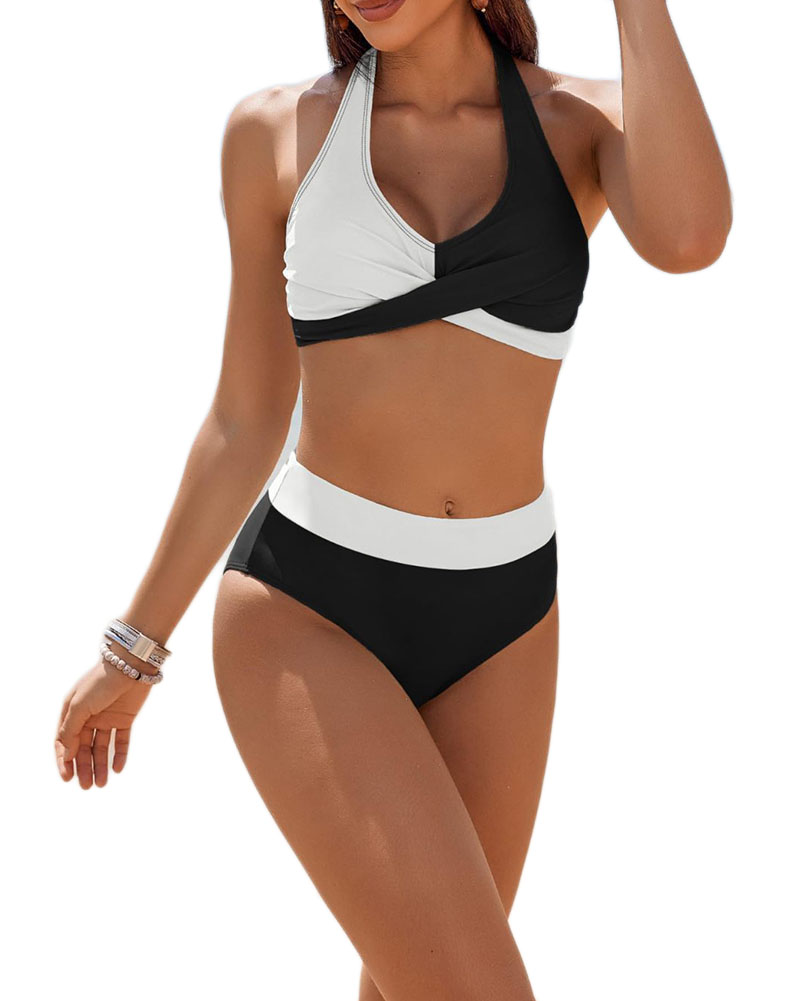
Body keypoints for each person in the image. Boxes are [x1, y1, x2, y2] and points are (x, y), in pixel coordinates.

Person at [54, 1, 732, 998]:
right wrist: (133, 650)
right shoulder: (273, 131)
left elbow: (689, 237)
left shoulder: (583, 124)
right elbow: (245, 417)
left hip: (506, 620)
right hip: (307, 607)